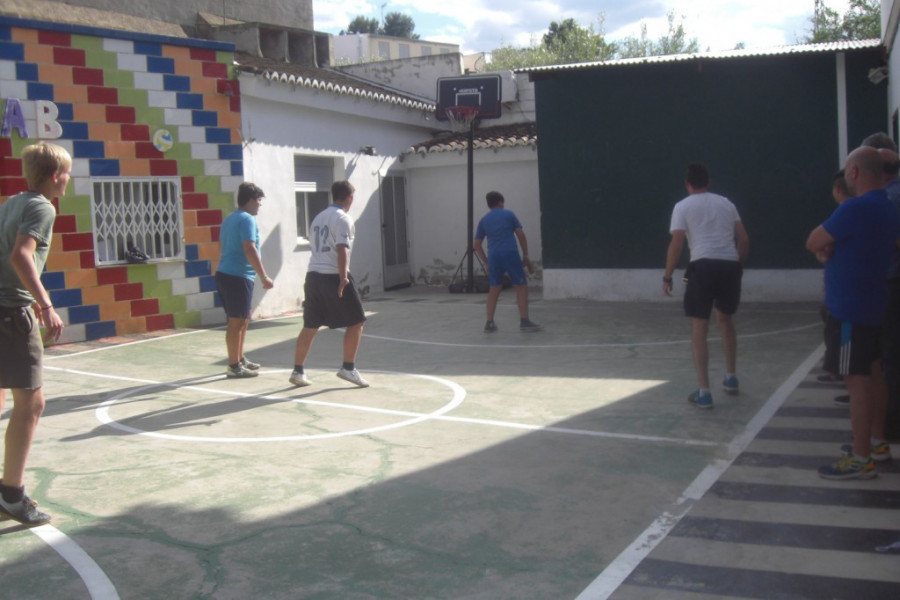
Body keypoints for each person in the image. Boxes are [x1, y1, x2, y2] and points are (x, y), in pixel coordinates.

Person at [806, 146, 900, 479]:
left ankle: (861, 458)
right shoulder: (887, 208)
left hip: (850, 308)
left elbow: (814, 240)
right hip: (874, 303)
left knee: (856, 381)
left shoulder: (855, 209)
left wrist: (826, 248)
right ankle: (876, 442)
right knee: (874, 374)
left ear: (856, 173)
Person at [0, 142, 70, 526]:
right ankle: (11, 495)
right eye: (67, 174)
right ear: (56, 175)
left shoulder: (11, 202)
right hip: (11, 310)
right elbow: (20, 255)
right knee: (31, 404)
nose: (69, 180)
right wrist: (44, 306)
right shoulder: (42, 206)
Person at [663, 163, 750, 409]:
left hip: (703, 267)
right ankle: (731, 377)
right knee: (726, 319)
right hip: (729, 265)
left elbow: (677, 243)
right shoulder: (727, 204)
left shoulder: (682, 206)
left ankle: (704, 392)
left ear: (687, 184)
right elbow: (743, 239)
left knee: (699, 326)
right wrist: (738, 266)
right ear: (708, 182)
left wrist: (667, 275)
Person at [290, 180, 369, 388]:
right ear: (349, 198)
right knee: (357, 320)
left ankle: (298, 371)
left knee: (310, 324)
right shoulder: (343, 218)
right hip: (332, 276)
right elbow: (342, 249)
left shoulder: (318, 217)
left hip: (313, 276)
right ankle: (348, 368)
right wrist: (343, 278)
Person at [215, 182, 274, 378]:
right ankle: (233, 366)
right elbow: (249, 248)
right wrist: (264, 275)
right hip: (236, 276)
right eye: (258, 200)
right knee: (236, 322)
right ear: (249, 200)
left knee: (243, 319)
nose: (260, 204)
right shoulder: (247, 219)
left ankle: (239, 358)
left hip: (230, 275)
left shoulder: (230, 218)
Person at [473, 191, 542, 333]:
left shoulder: (483, 220)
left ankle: (489, 322)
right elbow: (521, 236)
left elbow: (477, 245)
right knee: (521, 286)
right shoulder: (509, 214)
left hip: (494, 256)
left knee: (494, 288)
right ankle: (524, 321)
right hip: (510, 254)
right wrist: (526, 255)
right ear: (500, 202)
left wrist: (486, 262)